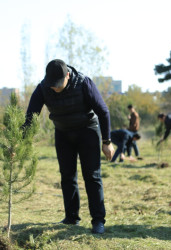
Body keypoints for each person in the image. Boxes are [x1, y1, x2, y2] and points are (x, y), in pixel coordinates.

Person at [23, 59, 114, 234]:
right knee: (67, 176)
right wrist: (19, 143)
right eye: (52, 84)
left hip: (87, 131)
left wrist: (107, 142)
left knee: (92, 176)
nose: (55, 88)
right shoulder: (43, 87)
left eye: (58, 84)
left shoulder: (84, 83)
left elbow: (103, 111)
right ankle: (72, 217)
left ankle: (98, 221)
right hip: (63, 133)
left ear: (67, 75)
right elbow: (30, 117)